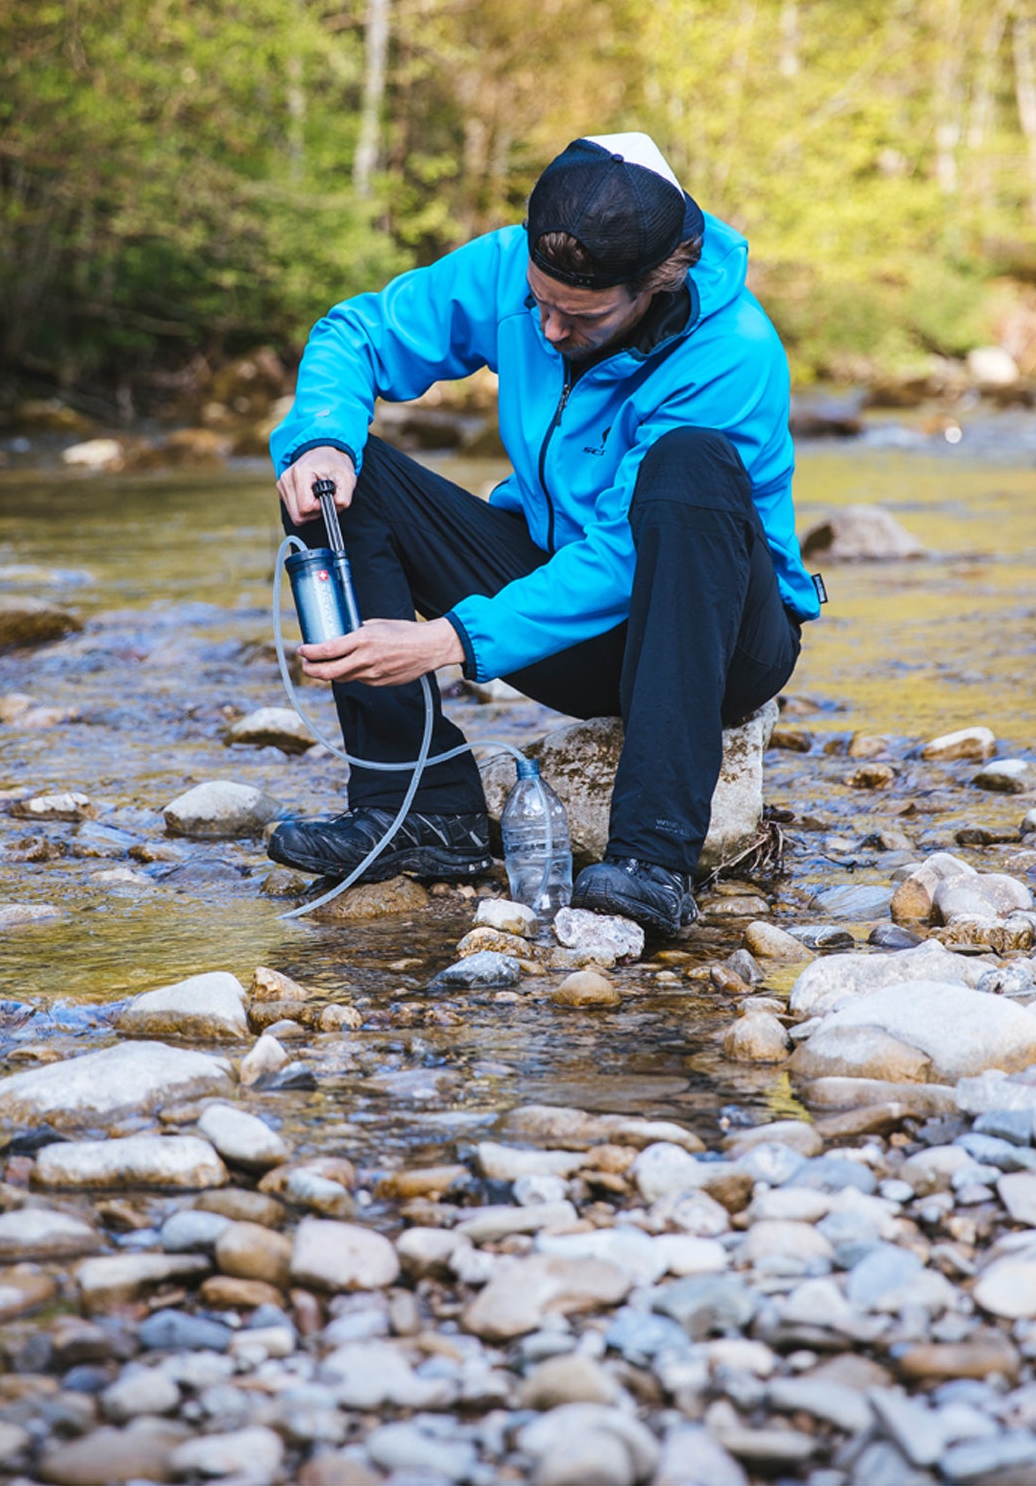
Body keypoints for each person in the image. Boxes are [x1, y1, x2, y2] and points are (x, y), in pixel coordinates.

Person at [266, 132, 820, 933]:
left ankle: (654, 859)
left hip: (721, 641)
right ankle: (416, 806)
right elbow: (357, 333)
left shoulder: (731, 352)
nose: (550, 330)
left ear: (656, 286)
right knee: (337, 473)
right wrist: (322, 437)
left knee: (690, 463)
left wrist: (447, 640)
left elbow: (624, 558)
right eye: (540, 305)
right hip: (573, 629)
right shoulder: (509, 268)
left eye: (581, 316)